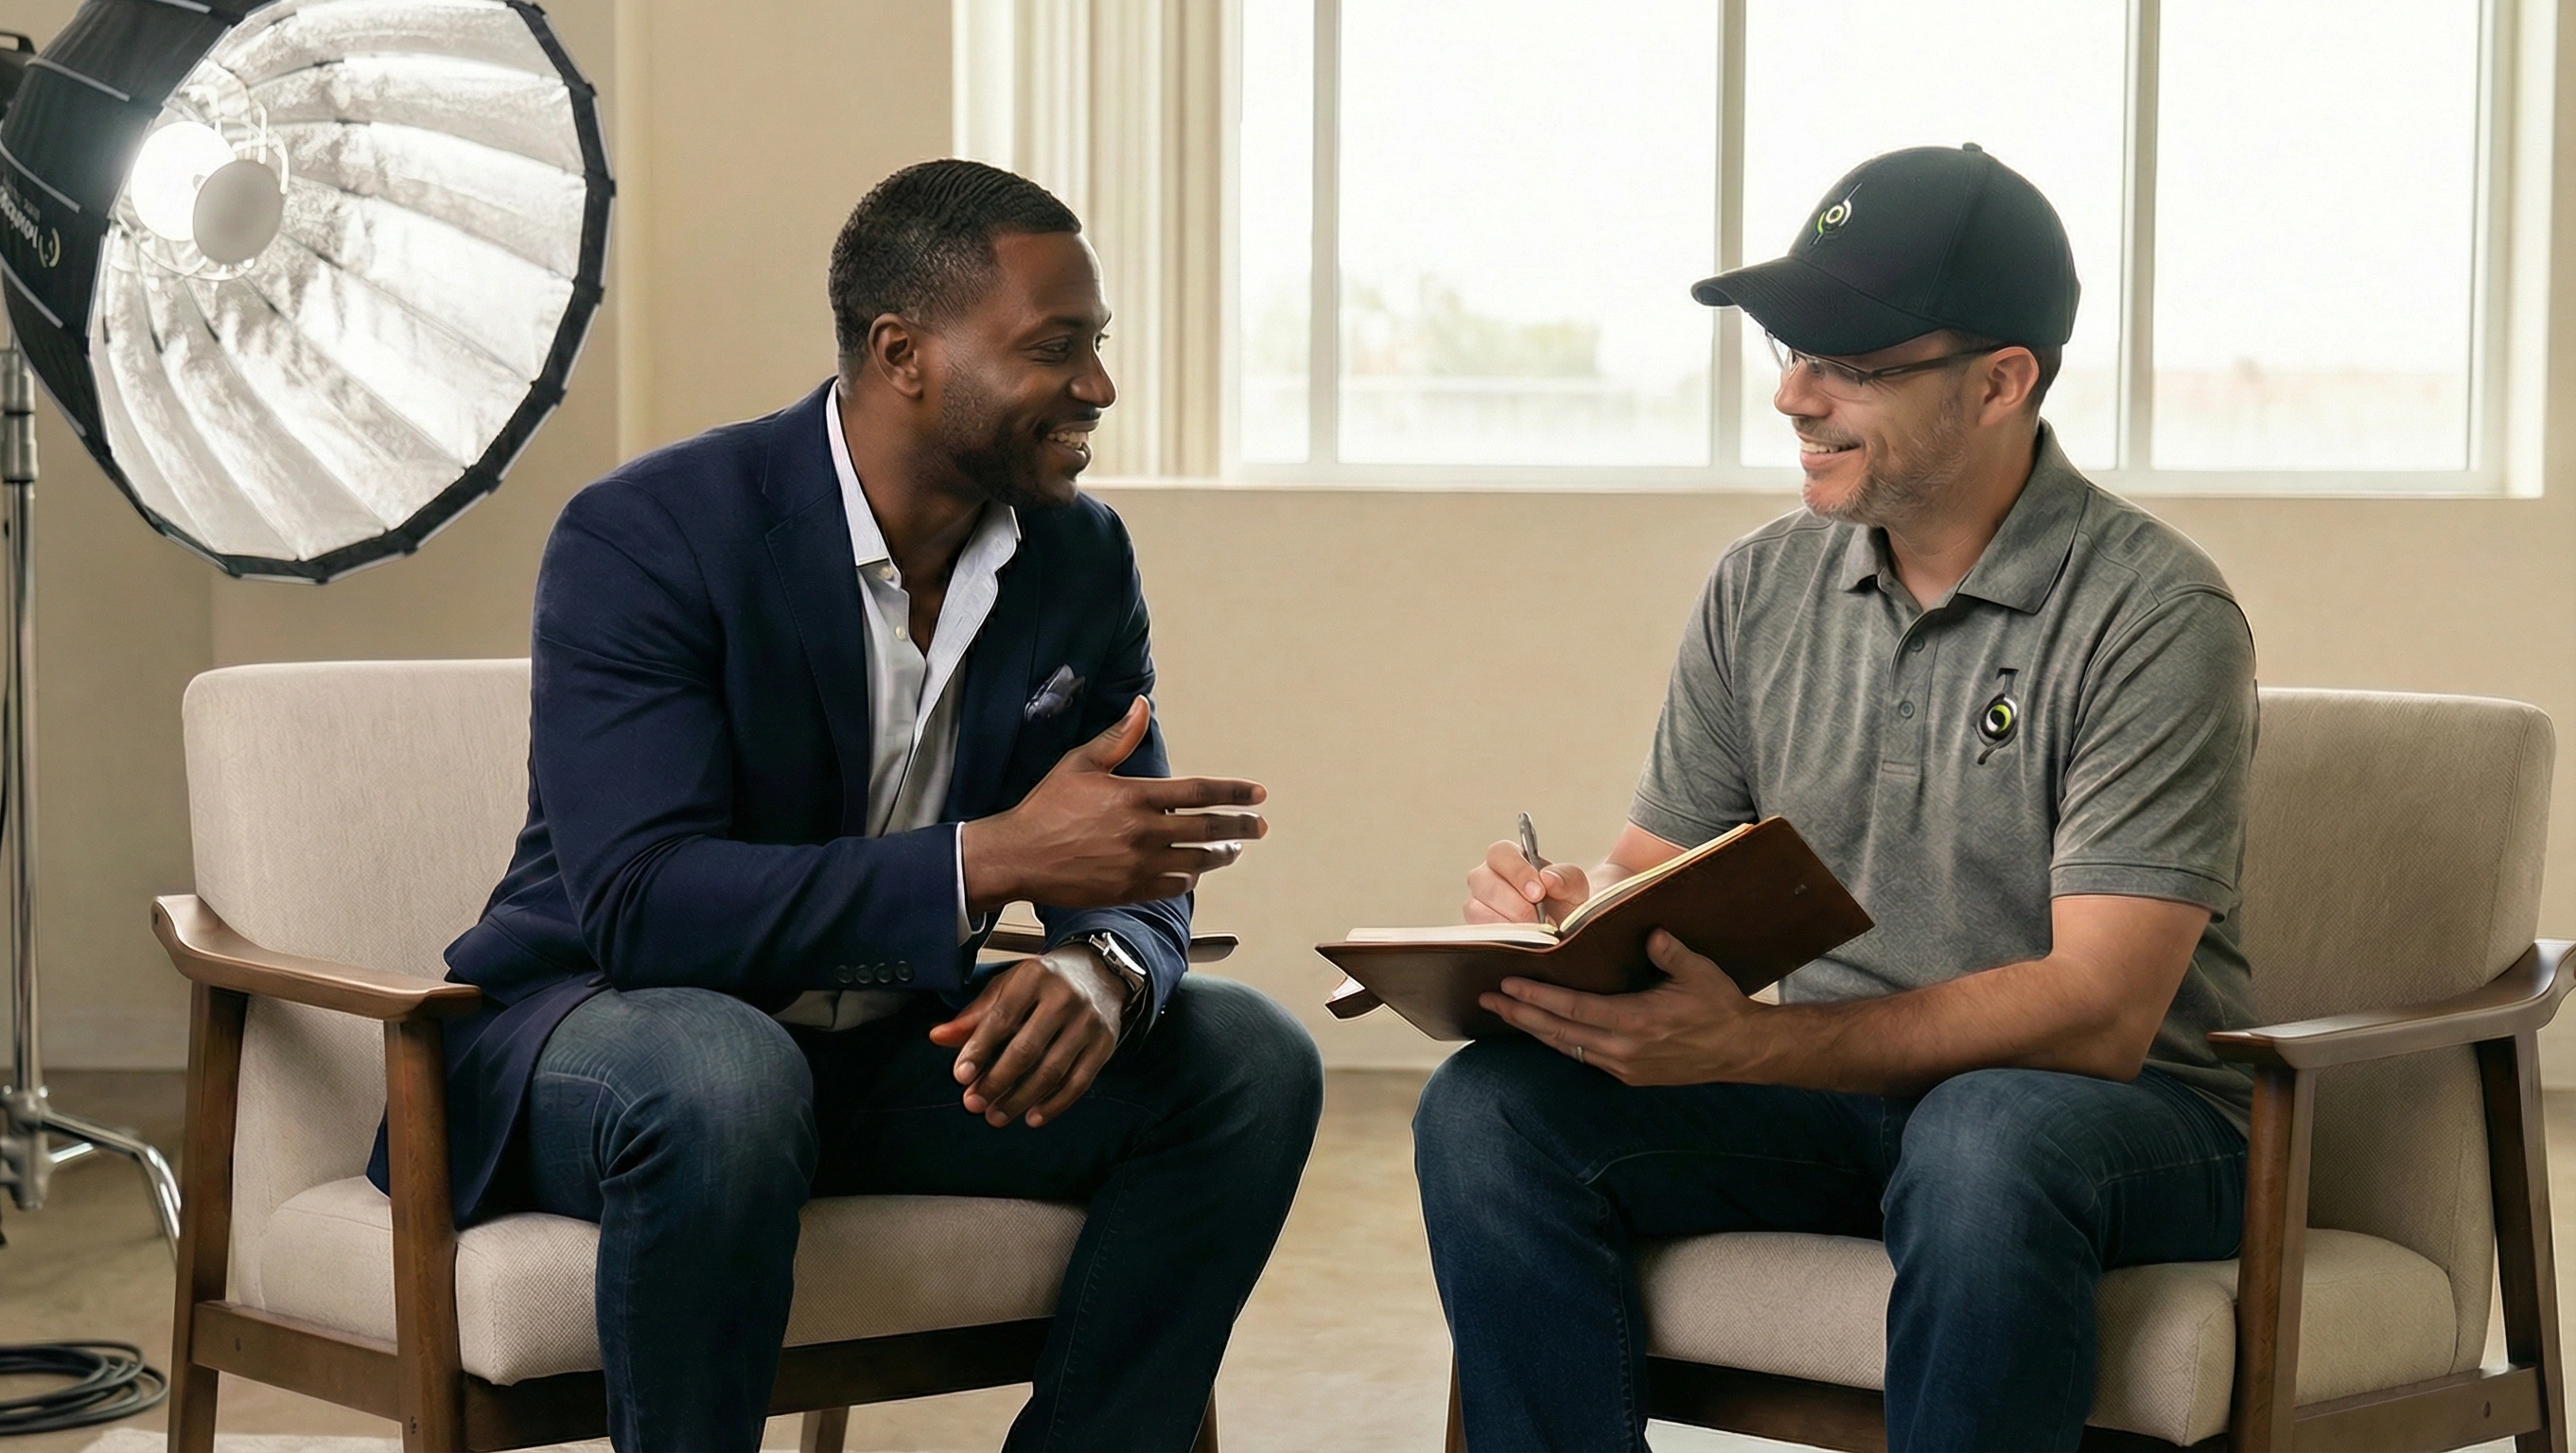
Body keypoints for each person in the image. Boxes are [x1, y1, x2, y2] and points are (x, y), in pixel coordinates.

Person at [366, 159, 1323, 1452]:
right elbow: (644, 907)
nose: (1099, 386)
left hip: (883, 1056)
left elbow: (1129, 851)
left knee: (1247, 1058)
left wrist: (1101, 968)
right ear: (903, 354)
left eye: (1098, 346)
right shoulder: (650, 535)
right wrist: (984, 862)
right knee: (726, 1074)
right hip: (601, 1045)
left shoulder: (1080, 556)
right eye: (1056, 349)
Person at [1413, 144, 2258, 1452]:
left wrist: (1755, 1047)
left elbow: (2100, 1012)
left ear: (2002, 382)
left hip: (2122, 1122)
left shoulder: (2154, 613)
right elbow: (1657, 861)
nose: (1794, 396)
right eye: (1792, 351)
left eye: (1851, 364)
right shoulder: (1763, 586)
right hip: (1835, 1102)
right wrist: (1576, 910)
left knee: (1984, 1134)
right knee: (1490, 1111)